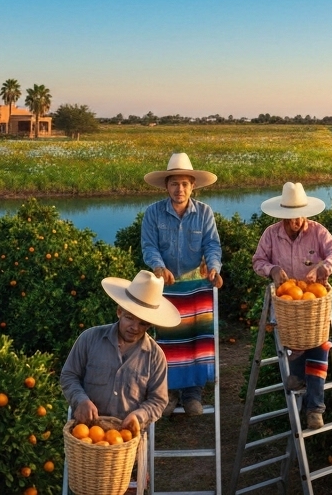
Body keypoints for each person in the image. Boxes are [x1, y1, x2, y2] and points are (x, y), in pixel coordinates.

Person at [251, 182, 332, 430]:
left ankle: (315, 408)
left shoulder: (317, 232)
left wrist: (325, 267)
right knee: (293, 343)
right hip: (286, 306)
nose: (297, 221)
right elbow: (258, 260)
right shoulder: (271, 234)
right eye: (291, 216)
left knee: (319, 344)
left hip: (313, 305)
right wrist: (271, 269)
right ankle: (297, 378)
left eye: (300, 215)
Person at [140, 153, 223, 417]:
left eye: (185, 184)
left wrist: (213, 268)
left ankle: (193, 393)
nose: (180, 189)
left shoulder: (205, 213)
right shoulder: (153, 213)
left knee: (198, 338)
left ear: (193, 186)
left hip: (196, 286)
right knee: (167, 340)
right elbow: (149, 246)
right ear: (167, 186)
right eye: (175, 184)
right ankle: (170, 391)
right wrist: (158, 267)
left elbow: (212, 245)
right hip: (164, 287)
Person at [60, 270, 179, 437]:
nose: (134, 327)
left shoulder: (155, 356)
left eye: (142, 323)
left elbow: (158, 400)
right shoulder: (90, 339)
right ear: (119, 311)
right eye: (129, 318)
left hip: (126, 441)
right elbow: (69, 375)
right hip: (86, 436)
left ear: (150, 325)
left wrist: (139, 415)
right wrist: (81, 400)